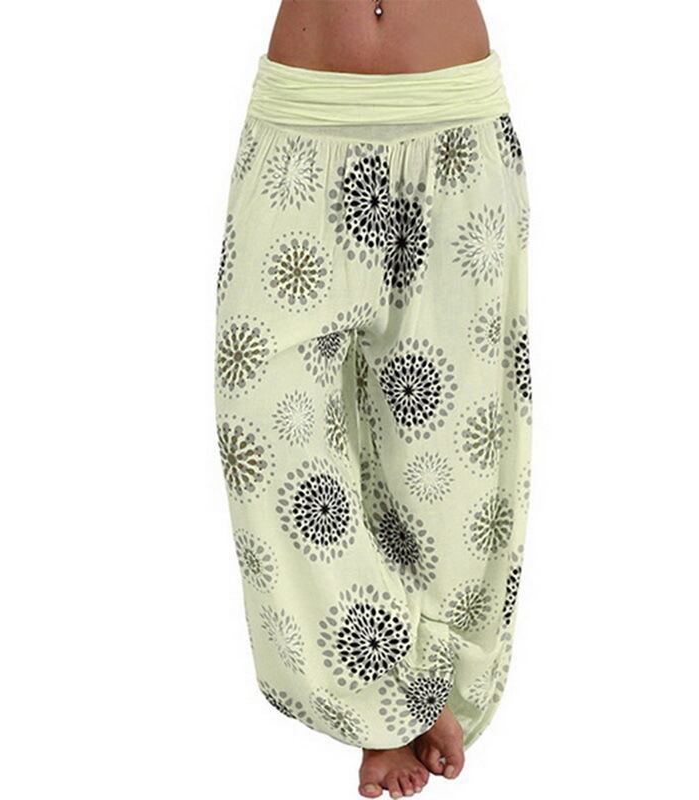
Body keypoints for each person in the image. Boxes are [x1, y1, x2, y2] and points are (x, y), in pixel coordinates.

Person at [214, 1, 532, 797]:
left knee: (448, 455)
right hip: (301, 125)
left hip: (452, 122)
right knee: (265, 429)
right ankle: (384, 690)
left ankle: (427, 689)